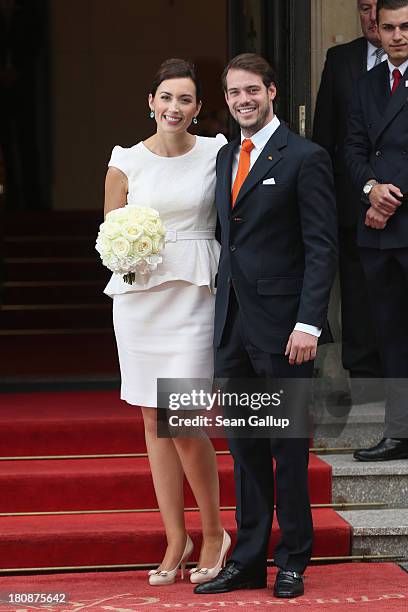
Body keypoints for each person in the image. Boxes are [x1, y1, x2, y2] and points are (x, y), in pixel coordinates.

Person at [194, 54, 338, 598]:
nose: (242, 101)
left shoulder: (306, 157)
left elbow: (322, 248)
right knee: (245, 449)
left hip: (285, 332)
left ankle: (294, 559)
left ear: (272, 91)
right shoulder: (225, 155)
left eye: (251, 90)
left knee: (287, 448)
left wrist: (309, 322)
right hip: (232, 329)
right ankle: (249, 559)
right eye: (233, 93)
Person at [103, 58, 231, 586]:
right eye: (165, 98)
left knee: (185, 419)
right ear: (150, 102)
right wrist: (127, 254)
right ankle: (175, 538)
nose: (174, 108)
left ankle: (215, 531)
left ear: (198, 108)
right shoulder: (124, 162)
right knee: (154, 419)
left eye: (185, 100)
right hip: (141, 302)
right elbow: (110, 236)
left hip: (197, 293)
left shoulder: (218, 152)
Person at [344, 0, 408, 461]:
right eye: (389, 27)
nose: (398, 35)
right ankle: (400, 432)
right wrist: (371, 188)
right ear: (377, 30)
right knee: (390, 333)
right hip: (378, 232)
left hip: (398, 217)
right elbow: (350, 147)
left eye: (406, 27)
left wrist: (390, 198)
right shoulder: (366, 84)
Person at [313, 0, 384, 395]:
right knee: (355, 295)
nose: (372, 18)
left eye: (379, 8)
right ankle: (365, 381)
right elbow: (326, 133)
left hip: (398, 199)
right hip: (349, 202)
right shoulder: (340, 59)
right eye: (363, 8)